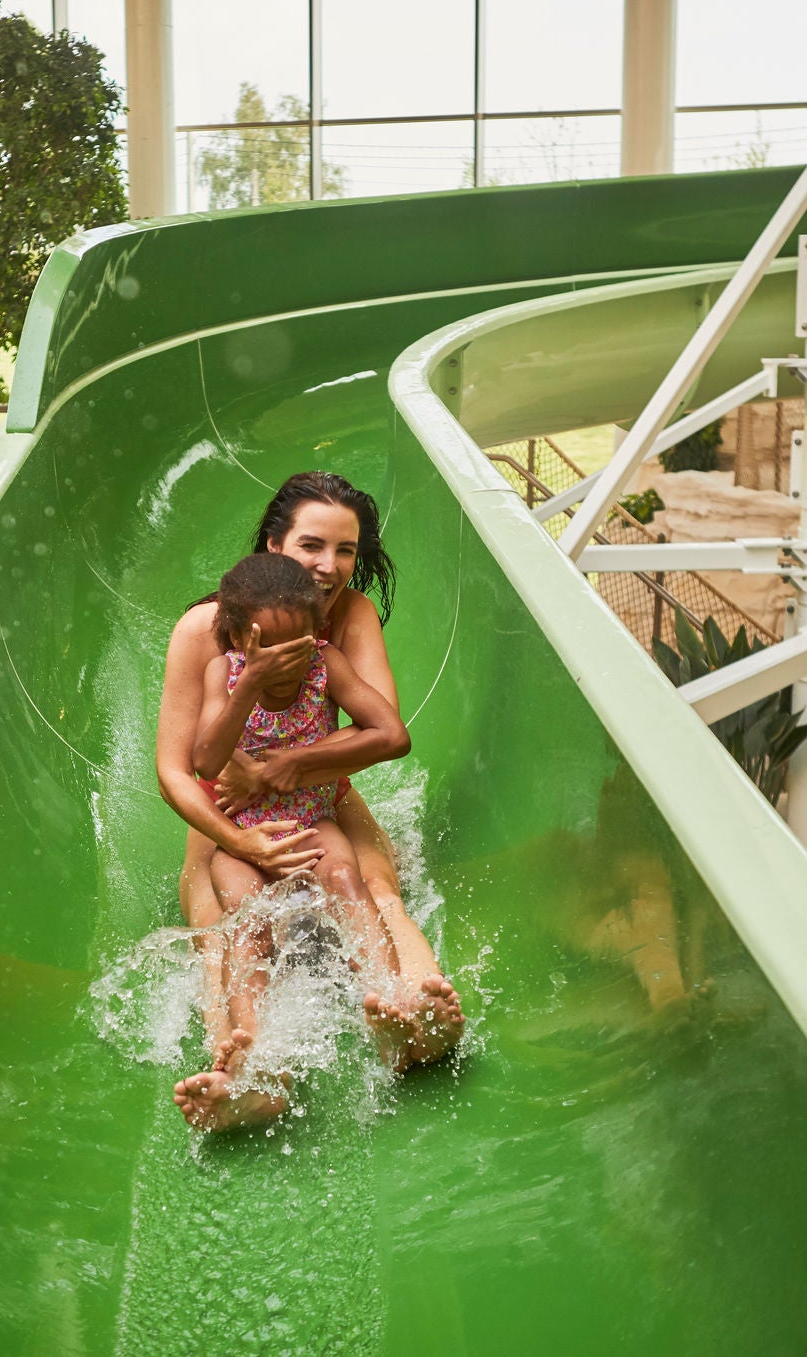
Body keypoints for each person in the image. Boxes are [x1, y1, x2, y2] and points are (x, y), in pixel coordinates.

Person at [158, 472, 464, 1131]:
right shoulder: (207, 634)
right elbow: (182, 771)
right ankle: (246, 1073)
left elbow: (382, 732)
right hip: (225, 809)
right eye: (312, 545)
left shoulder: (345, 618)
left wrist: (279, 766)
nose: (330, 566)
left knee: (377, 883)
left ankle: (413, 1017)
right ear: (274, 544)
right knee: (222, 925)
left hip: (319, 796)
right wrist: (239, 840)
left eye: (347, 549)